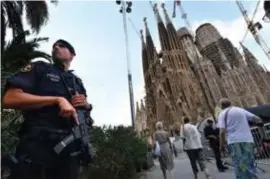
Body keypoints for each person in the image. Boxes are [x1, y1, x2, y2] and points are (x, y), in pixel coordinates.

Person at [2, 39, 92, 179]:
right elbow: (10, 98)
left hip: (69, 153)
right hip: (38, 147)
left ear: (72, 54)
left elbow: (85, 115)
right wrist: (56, 100)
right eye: (54, 46)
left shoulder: (76, 82)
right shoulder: (40, 68)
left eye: (62, 46)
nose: (56, 47)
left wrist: (87, 105)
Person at [218, 98, 264, 179]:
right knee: (250, 161)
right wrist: (261, 129)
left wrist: (221, 145)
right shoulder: (240, 110)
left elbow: (222, 131)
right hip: (247, 140)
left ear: (221, 106)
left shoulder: (222, 114)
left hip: (234, 142)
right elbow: (256, 118)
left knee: (240, 164)